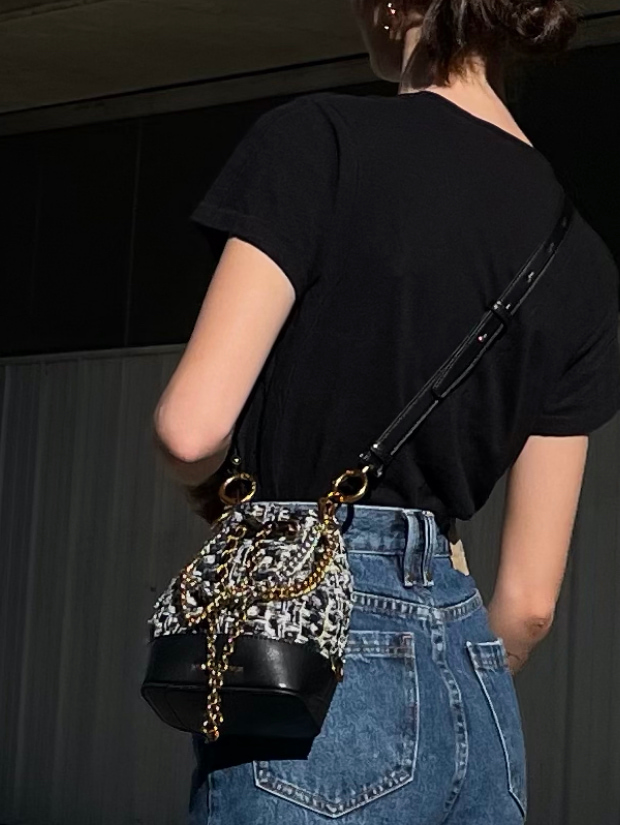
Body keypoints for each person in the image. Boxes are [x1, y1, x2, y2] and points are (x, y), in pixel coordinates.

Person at [153, 0, 620, 822]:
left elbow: (191, 430)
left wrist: (214, 486)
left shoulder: (319, 140)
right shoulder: (580, 254)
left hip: (315, 664)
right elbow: (529, 604)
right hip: (478, 702)